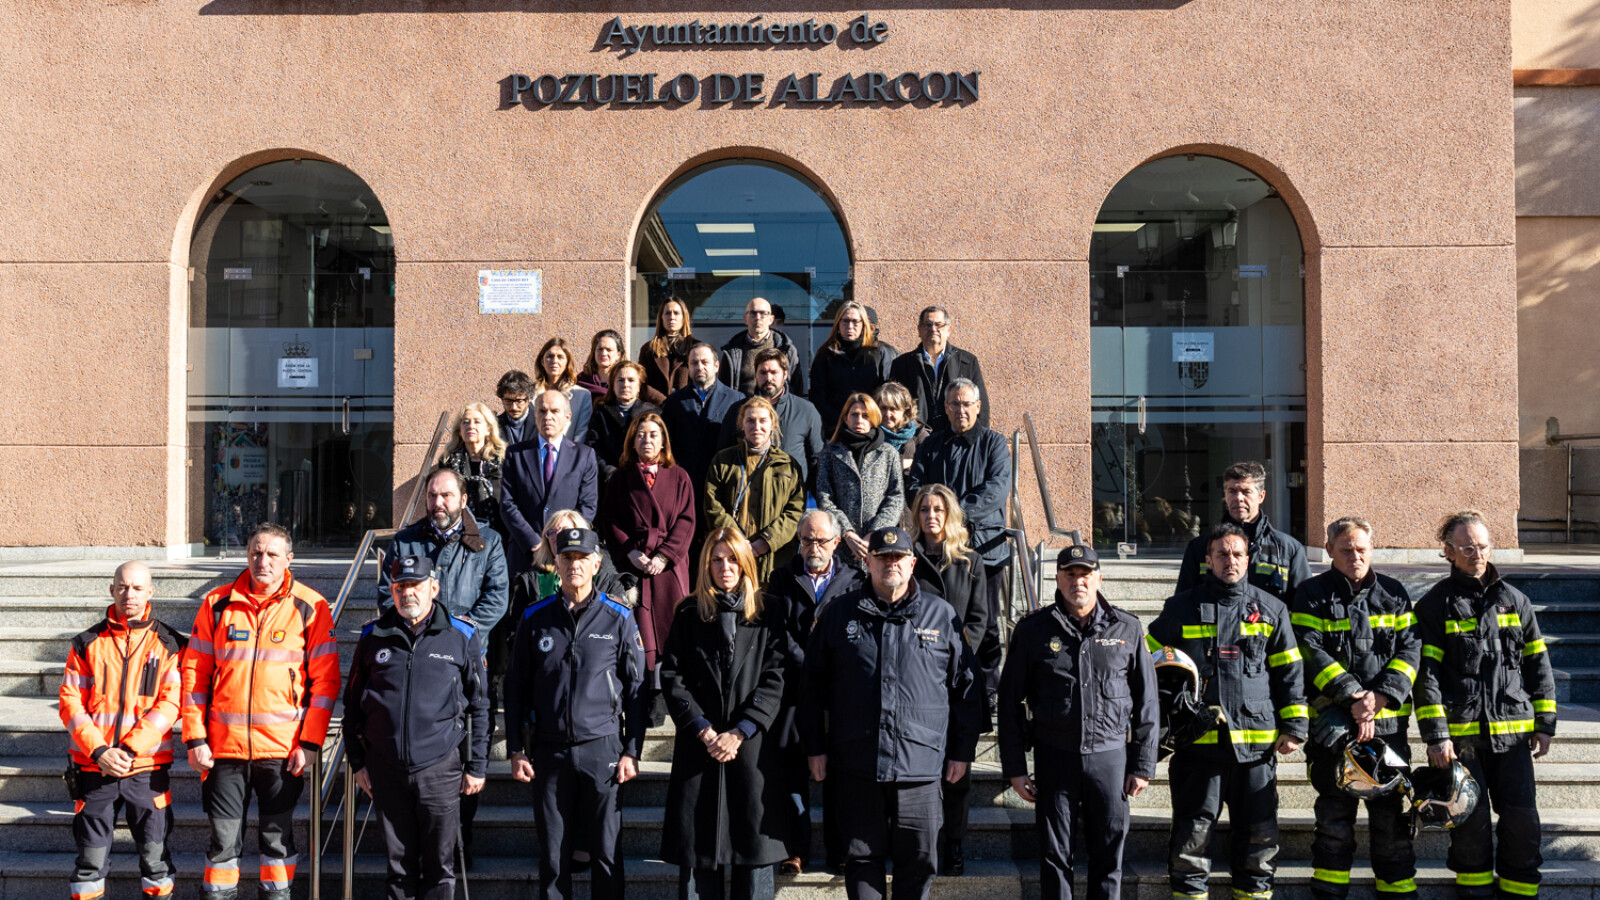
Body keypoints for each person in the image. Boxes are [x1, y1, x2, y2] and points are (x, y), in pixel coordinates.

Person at [801, 526, 982, 900]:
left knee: (918, 864)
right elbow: (811, 687)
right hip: (857, 766)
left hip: (920, 768)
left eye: (898, 557)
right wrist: (815, 747)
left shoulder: (942, 616)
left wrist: (962, 752)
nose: (890, 564)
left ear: (912, 564)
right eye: (882, 557)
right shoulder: (838, 614)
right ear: (867, 563)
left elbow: (967, 691)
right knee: (861, 861)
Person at [1146, 522, 1308, 900]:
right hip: (1197, 747)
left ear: (1248, 560)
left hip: (1256, 749)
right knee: (1192, 834)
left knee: (1259, 834)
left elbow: (1289, 671)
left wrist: (1295, 725)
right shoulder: (1180, 608)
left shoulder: (1271, 610)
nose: (1230, 560)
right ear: (1208, 560)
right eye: (1222, 554)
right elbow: (1147, 661)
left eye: (1237, 554)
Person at [181, 524, 340, 900]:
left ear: (289, 559)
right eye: (255, 552)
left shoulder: (311, 606)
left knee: (277, 843)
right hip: (223, 750)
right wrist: (195, 738)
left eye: (271, 554)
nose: (262, 561)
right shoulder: (217, 603)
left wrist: (311, 743)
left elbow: (326, 683)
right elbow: (193, 675)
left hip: (282, 752)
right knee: (222, 845)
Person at [998, 542, 1158, 900]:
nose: (1078, 581)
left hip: (1110, 758)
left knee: (1109, 855)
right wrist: (1015, 768)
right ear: (1058, 579)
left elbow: (1147, 702)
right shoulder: (1034, 630)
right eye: (1069, 574)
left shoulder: (1127, 628)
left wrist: (1143, 765)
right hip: (1055, 756)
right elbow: (1008, 703)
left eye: (1085, 574)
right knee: (1054, 856)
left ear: (1099, 578)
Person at [1415, 510, 1555, 900]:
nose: (1477, 554)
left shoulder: (1516, 600)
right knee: (1470, 825)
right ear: (1448, 551)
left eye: (1482, 546)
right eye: (1467, 548)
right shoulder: (1435, 605)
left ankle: (1519, 892)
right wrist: (1436, 736)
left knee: (1522, 821)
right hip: (1462, 741)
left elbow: (1538, 664)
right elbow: (1426, 677)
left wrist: (1545, 722)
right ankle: (1474, 893)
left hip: (1513, 735)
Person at [504, 528, 646, 900]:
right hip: (549, 751)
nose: (574, 566)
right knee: (553, 859)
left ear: (597, 564)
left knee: (606, 855)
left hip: (603, 748)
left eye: (582, 558)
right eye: (567, 558)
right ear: (556, 563)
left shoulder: (618, 616)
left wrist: (632, 750)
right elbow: (515, 685)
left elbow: (636, 688)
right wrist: (515, 748)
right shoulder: (535, 617)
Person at [344, 555, 489, 900]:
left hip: (439, 767)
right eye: (400, 586)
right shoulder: (373, 635)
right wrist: (357, 762)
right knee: (398, 870)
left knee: (439, 867)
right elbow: (352, 704)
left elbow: (481, 705)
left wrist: (477, 766)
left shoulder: (461, 634)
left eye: (415, 585)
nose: (407, 593)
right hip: (385, 767)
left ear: (433, 588)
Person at [1291, 516, 1420, 900]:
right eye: (1346, 550)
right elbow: (1309, 651)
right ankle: (1329, 893)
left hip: (1388, 729)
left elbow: (1411, 650)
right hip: (1334, 729)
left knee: (1391, 818)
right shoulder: (1310, 594)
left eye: (1362, 549)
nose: (1355, 557)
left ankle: (1398, 893)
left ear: (1372, 549)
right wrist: (1353, 696)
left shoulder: (1394, 593)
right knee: (1334, 817)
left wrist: (1380, 698)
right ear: (1329, 550)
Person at [659, 528, 791, 900]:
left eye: (733, 559)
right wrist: (702, 728)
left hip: (750, 750)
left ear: (746, 562)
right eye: (716, 560)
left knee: (753, 861)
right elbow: (672, 675)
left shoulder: (769, 610)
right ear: (706, 565)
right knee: (697, 861)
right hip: (700, 749)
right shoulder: (688, 612)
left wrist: (741, 730)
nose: (725, 567)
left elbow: (777, 675)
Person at [60, 561, 185, 900]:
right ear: (112, 589)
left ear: (150, 592)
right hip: (94, 769)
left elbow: (171, 705)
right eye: (123, 586)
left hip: (145, 770)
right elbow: (70, 703)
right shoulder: (86, 642)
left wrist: (128, 751)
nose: (130, 594)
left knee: (156, 864)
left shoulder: (170, 643)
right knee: (89, 865)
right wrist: (100, 751)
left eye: (137, 588)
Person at [762, 511, 865, 875]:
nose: (813, 547)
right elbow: (776, 632)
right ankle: (795, 850)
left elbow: (859, 634)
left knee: (840, 772)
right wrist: (809, 664)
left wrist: (827, 664)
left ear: (836, 543)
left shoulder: (854, 580)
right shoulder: (781, 578)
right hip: (793, 689)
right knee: (792, 773)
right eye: (807, 540)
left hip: (840, 691)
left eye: (821, 540)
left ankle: (840, 850)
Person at [903, 483, 989, 875]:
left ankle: (953, 843)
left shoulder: (970, 561)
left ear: (949, 514)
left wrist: (953, 652)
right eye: (924, 510)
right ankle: (917, 844)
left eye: (938, 509)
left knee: (957, 770)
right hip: (915, 676)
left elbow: (980, 619)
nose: (931, 516)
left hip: (958, 675)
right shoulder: (908, 558)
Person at [907, 378, 1011, 700]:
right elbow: (914, 486)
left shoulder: (994, 443)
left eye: (967, 404)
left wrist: (955, 514)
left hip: (985, 548)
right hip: (938, 549)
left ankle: (988, 687)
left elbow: (997, 488)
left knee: (987, 623)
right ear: (945, 407)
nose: (960, 410)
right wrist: (935, 515)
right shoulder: (931, 445)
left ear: (978, 407)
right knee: (938, 616)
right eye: (954, 403)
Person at [599, 411, 696, 682]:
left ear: (664, 441)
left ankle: (673, 688)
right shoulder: (619, 478)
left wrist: (664, 556)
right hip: (636, 567)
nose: (647, 440)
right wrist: (630, 552)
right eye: (640, 435)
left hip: (669, 568)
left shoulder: (679, 476)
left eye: (653, 435)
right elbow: (609, 520)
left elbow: (687, 520)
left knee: (673, 629)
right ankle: (645, 690)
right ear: (632, 441)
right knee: (640, 636)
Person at [377, 467, 509, 628]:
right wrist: (417, 631)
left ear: (463, 500)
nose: (438, 503)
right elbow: (388, 594)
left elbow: (496, 598)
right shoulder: (403, 541)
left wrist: (457, 633)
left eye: (446, 495)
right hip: (413, 640)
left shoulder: (488, 541)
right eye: (432, 496)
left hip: (466, 641)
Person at [1175, 460, 1310, 602]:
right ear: (1225, 495)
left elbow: (1303, 605)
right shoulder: (1200, 547)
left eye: (1246, 492)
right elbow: (1183, 603)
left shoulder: (1288, 549)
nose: (1238, 498)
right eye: (1232, 491)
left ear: (1261, 496)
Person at [500, 389, 600, 577]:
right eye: (542, 411)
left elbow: (588, 506)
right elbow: (507, 504)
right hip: (525, 554)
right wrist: (534, 542)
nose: (548, 417)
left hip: (567, 555)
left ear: (567, 417)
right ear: (535, 415)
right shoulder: (516, 454)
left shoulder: (584, 455)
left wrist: (563, 541)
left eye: (555, 411)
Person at [704, 396, 805, 583]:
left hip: (774, 563)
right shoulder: (723, 461)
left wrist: (765, 542)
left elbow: (795, 511)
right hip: (732, 561)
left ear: (772, 424)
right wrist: (738, 542)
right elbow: (713, 505)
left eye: (762, 420)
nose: (756, 427)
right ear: (741, 424)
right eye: (750, 420)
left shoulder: (788, 465)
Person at [717, 348, 824, 491]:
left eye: (774, 372)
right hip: (747, 495)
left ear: (785, 374)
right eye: (763, 372)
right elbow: (723, 454)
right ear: (755, 374)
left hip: (791, 497)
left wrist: (802, 491)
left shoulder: (805, 410)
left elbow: (817, 459)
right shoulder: (738, 410)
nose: (768, 378)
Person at [816, 392, 904, 563]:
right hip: (841, 544)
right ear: (846, 418)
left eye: (865, 416)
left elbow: (896, 497)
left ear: (873, 419)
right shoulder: (830, 453)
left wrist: (874, 532)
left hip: (878, 543)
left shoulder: (888, 453)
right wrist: (847, 533)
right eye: (854, 415)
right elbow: (824, 497)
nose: (859, 420)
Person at [887, 305, 990, 433]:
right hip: (916, 439)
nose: (933, 329)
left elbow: (981, 407)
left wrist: (977, 439)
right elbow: (893, 404)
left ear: (949, 330)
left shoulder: (967, 362)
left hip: (956, 438)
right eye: (927, 325)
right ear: (919, 330)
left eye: (939, 325)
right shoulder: (902, 364)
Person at [663, 341, 746, 496]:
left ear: (716, 366)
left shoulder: (736, 400)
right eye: (694, 363)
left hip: (723, 483)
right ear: (688, 367)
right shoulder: (673, 402)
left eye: (705, 362)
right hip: (685, 484)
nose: (699, 367)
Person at [808, 300, 891, 432]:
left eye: (855, 321)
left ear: (863, 324)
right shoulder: (825, 354)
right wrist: (841, 421)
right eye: (845, 321)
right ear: (838, 324)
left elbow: (886, 392)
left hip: (870, 428)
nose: (850, 326)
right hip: (834, 429)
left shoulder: (878, 352)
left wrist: (869, 419)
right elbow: (818, 395)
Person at [441, 401, 508, 533]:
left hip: (500, 533)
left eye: (477, 422)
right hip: (459, 533)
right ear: (460, 430)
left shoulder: (503, 460)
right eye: (465, 422)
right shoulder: (448, 462)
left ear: (488, 429)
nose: (471, 426)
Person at [720, 296, 805, 396]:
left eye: (763, 313)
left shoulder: (786, 350)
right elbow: (723, 391)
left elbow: (796, 389)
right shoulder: (732, 351)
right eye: (753, 313)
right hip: (742, 405)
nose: (758, 317)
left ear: (771, 319)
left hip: (776, 406)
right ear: (745, 319)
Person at [588, 360, 659, 483]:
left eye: (631, 380)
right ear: (613, 385)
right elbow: (593, 447)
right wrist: (610, 472)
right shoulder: (601, 412)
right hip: (608, 481)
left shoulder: (652, 413)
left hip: (643, 480)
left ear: (639, 386)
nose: (626, 385)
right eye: (620, 380)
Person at [535, 336, 594, 443]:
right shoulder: (530, 394)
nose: (554, 360)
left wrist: (571, 452)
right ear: (542, 361)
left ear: (567, 362)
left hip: (569, 451)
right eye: (550, 356)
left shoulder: (582, 396)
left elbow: (581, 433)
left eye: (560, 357)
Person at [642, 297, 695, 405]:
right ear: (661, 317)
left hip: (686, 408)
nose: (672, 317)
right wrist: (663, 402)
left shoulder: (695, 348)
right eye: (667, 313)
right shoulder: (648, 349)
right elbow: (642, 383)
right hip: (656, 408)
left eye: (676, 313)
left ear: (684, 317)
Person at [874, 382, 929, 475]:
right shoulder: (871, 434)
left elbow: (928, 467)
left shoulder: (920, 435)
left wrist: (913, 465)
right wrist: (902, 464)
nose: (887, 414)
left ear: (905, 410)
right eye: (883, 408)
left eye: (893, 409)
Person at [579, 329, 626, 400]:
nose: (604, 353)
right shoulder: (581, 381)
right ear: (594, 352)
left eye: (609, 350)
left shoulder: (626, 382)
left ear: (618, 355)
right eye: (600, 349)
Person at [496, 369, 539, 447]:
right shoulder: (494, 425)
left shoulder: (541, 422)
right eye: (508, 401)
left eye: (519, 401)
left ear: (529, 399)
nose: (514, 407)